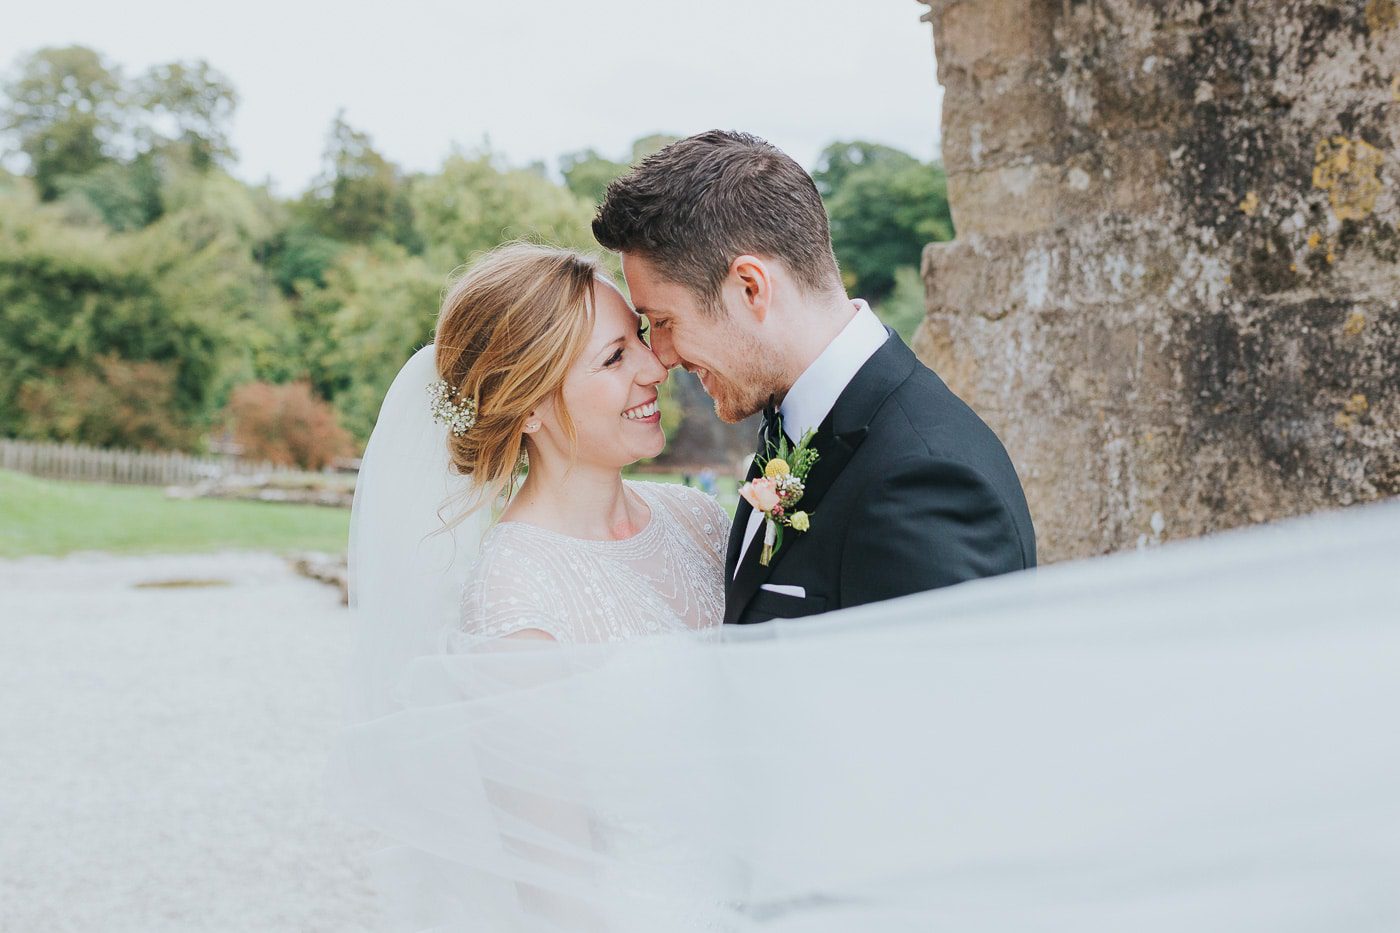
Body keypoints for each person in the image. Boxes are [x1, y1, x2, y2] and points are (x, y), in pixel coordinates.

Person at [592, 130, 1037, 624]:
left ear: (750, 287)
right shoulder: (795, 419)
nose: (662, 357)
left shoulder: (923, 483)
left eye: (666, 322)